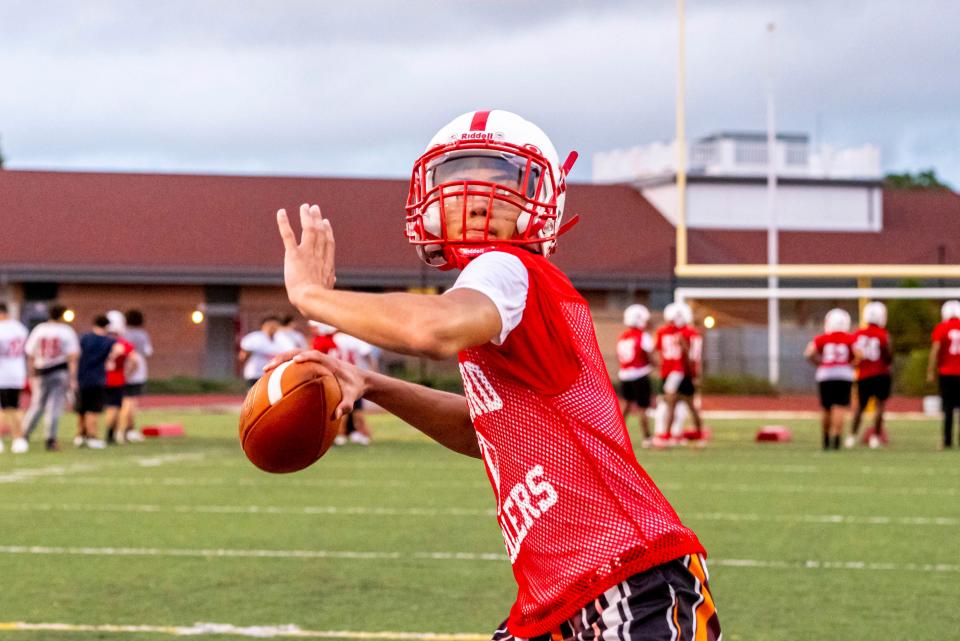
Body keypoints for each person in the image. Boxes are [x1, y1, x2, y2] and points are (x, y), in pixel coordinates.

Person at [268, 110, 719, 640]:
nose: (475, 195)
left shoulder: (508, 268)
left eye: (501, 179)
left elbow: (433, 329)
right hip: (561, 594)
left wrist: (311, 298)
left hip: (626, 579)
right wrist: (372, 383)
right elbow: (488, 430)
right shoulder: (509, 291)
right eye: (456, 176)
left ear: (540, 198)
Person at [22, 303, 80, 451]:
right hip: (59, 370)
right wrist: (73, 378)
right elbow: (73, 356)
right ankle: (50, 439)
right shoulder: (66, 331)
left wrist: (31, 372)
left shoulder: (40, 329)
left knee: (36, 405)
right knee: (54, 406)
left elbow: (30, 353)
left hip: (41, 370)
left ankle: (23, 435)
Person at [805, 308, 860, 451]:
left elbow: (809, 353)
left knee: (826, 408)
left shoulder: (822, 338)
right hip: (843, 375)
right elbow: (859, 355)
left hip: (825, 374)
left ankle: (825, 438)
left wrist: (820, 363)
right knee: (839, 407)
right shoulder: (850, 338)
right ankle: (836, 438)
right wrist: (851, 364)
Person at [654, 302, 705, 446]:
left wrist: (694, 374)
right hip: (676, 372)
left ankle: (668, 435)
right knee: (684, 404)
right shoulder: (678, 332)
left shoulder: (669, 332)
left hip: (678, 372)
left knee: (673, 403)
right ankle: (694, 434)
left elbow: (691, 356)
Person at [75, 315, 124, 449]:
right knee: (93, 409)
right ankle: (92, 436)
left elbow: (76, 353)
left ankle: (80, 435)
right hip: (97, 378)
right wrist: (110, 359)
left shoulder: (84, 338)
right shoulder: (108, 341)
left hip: (81, 376)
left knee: (81, 409)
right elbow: (120, 349)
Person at [849, 301, 893, 449]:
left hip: (864, 375)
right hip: (881, 373)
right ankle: (875, 437)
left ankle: (851, 436)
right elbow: (888, 356)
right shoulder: (883, 334)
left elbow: (852, 354)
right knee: (880, 407)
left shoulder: (857, 334)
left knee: (860, 408)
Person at [616, 304, 654, 448]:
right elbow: (648, 355)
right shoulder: (643, 336)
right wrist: (655, 364)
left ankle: (616, 435)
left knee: (626, 405)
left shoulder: (622, 336)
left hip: (625, 375)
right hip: (640, 374)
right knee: (643, 408)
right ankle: (647, 437)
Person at [927, 299, 960, 449]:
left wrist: (930, 371)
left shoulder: (942, 328)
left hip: (947, 373)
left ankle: (947, 440)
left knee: (948, 408)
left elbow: (935, 350)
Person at [0, 302, 29, 453]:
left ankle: (15, 438)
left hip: (3, 373)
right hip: (17, 371)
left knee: (6, 408)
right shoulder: (19, 327)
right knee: (14, 407)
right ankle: (19, 438)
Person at [120, 308, 153, 442]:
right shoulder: (142, 334)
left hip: (122, 366)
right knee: (131, 400)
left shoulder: (123, 334)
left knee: (123, 400)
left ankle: (122, 428)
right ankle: (128, 429)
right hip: (137, 368)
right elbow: (147, 351)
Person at [103, 310, 135, 444]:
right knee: (114, 407)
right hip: (117, 378)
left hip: (102, 378)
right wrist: (128, 373)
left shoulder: (102, 342)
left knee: (107, 407)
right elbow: (134, 361)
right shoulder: (123, 344)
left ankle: (86, 434)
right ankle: (111, 434)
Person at [238, 315, 287, 387]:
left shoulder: (282, 339)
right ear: (263, 325)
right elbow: (243, 355)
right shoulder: (254, 338)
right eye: (270, 324)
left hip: (272, 374)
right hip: (255, 373)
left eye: (275, 325)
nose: (273, 327)